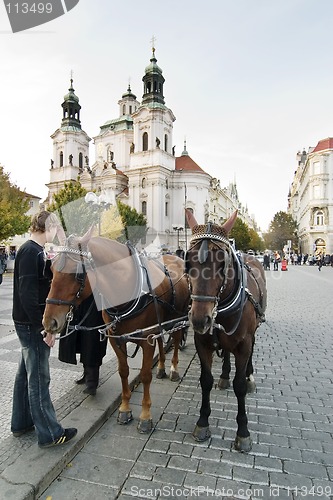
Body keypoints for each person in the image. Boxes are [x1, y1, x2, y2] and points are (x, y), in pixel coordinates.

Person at [11, 210, 77, 447]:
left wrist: (61, 236)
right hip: (31, 325)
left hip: (27, 323)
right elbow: (27, 294)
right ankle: (50, 433)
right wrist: (45, 328)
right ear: (48, 227)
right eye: (55, 227)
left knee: (24, 376)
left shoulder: (35, 251)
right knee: (39, 379)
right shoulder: (30, 251)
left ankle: (20, 423)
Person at [58, 294, 107, 396]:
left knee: (92, 342)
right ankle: (87, 375)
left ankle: (92, 382)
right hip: (81, 301)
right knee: (83, 341)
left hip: (95, 303)